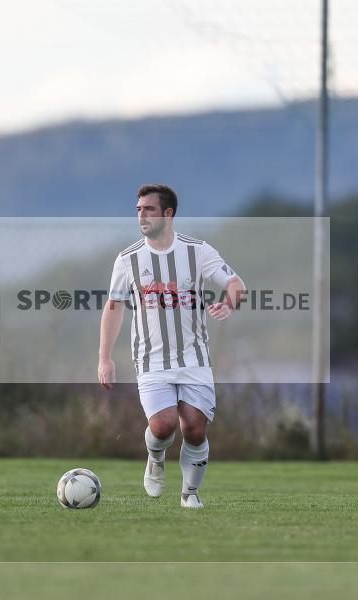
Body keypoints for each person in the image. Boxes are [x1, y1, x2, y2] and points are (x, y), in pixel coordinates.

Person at [98, 184, 245, 508]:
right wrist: (104, 357)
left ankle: (189, 495)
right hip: (151, 360)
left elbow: (236, 284)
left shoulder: (198, 251)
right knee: (163, 426)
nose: (141, 216)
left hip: (194, 357)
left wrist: (230, 303)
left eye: (149, 209)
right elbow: (114, 306)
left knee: (194, 428)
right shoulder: (128, 260)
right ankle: (155, 457)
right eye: (138, 210)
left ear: (168, 213)